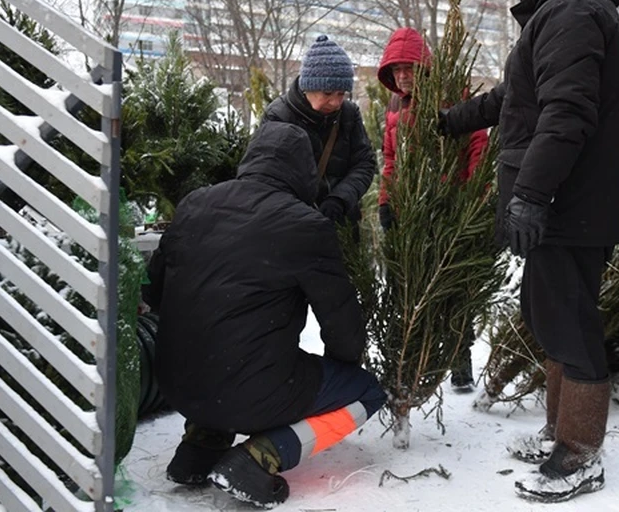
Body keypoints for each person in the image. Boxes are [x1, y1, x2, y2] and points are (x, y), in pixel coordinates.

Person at [437, 0, 619, 503]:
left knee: (571, 325)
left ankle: (581, 451)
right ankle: (558, 431)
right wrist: (454, 119)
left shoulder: (572, 13)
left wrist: (530, 195)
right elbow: (516, 97)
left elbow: (566, 114)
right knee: (553, 317)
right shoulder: (562, 14)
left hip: (565, 207)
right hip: (561, 207)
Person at [144, 121, 386, 508]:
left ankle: (199, 448)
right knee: (367, 393)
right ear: (305, 171)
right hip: (247, 391)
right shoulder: (304, 225)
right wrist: (342, 371)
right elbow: (339, 318)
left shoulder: (195, 204)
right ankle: (260, 458)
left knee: (231, 361)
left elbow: (154, 290)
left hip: (175, 383)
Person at [376, 26, 489, 392]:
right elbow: (391, 159)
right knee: (414, 286)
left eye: (409, 68)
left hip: (449, 206)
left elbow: (477, 145)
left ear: (424, 67)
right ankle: (416, 362)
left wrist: (473, 193)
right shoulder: (396, 107)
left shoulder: (451, 97)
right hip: (412, 211)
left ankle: (460, 362)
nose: (403, 77)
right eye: (396, 71)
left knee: (454, 286)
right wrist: (386, 201)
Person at [261, 34, 376, 232]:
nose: (336, 102)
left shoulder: (349, 114)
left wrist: (340, 199)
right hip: (291, 228)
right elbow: (265, 178)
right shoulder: (278, 116)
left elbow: (364, 163)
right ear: (308, 87)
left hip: (341, 224)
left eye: (342, 94)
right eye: (328, 93)